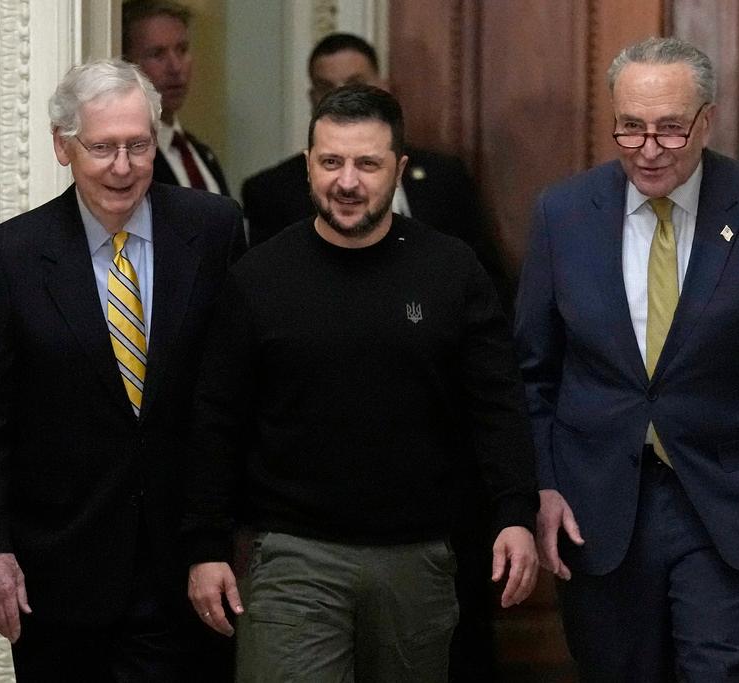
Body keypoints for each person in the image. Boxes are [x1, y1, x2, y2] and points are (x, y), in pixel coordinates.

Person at [514, 36, 739, 681]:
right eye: (631, 128)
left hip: (726, 501)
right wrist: (541, 483)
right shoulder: (563, 214)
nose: (649, 149)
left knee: (719, 672)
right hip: (599, 507)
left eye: (671, 129)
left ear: (707, 120)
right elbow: (534, 372)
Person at [183, 84, 539, 683]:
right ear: (308, 165)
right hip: (292, 557)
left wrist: (515, 513)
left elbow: (497, 406)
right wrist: (204, 546)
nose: (347, 182)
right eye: (330, 162)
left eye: (367, 164)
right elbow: (215, 419)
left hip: (420, 559)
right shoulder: (259, 278)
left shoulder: (452, 271)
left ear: (398, 169)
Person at [0, 58, 245, 682]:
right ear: (63, 147)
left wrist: (215, 540)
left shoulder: (212, 230)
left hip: (185, 567)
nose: (124, 166)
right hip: (58, 572)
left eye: (138, 145)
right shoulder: (11, 256)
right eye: (103, 147)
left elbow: (229, 398)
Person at [241, 33, 487, 260]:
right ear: (312, 98)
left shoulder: (445, 177)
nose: (342, 96)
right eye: (327, 87)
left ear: (385, 87)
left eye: (355, 83)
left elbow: (484, 274)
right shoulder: (271, 192)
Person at [122, 0, 230, 195]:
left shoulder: (202, 155)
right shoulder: (126, 160)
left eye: (182, 50)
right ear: (127, 64)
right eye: (157, 54)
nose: (175, 67)